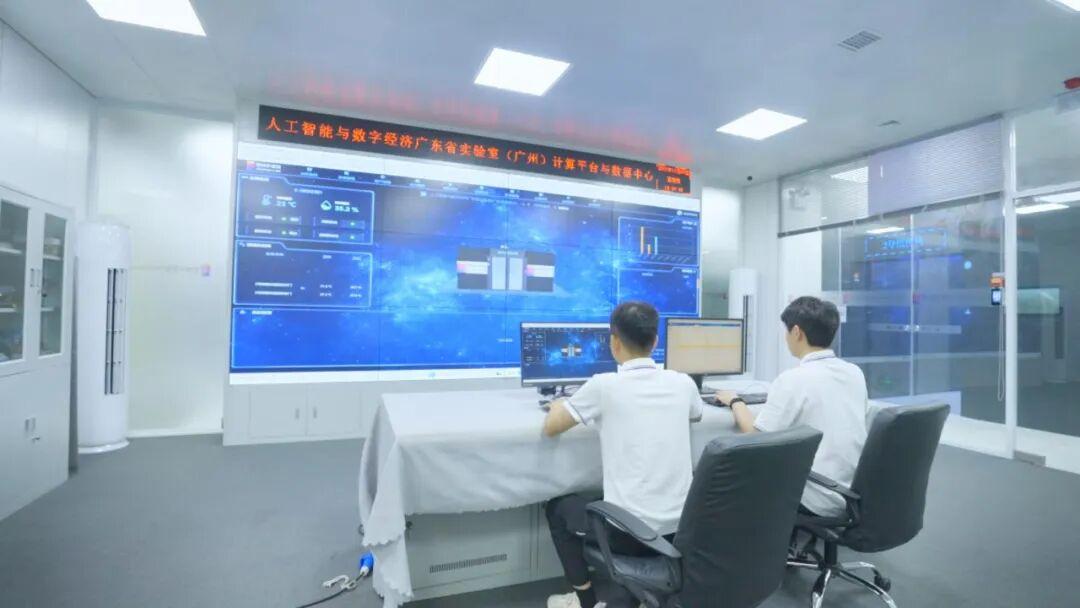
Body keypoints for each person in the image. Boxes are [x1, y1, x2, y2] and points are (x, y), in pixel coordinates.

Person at [541, 301, 704, 608]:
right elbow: (696, 414)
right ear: (655, 341)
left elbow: (552, 427)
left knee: (557, 508)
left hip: (627, 535)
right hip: (680, 531)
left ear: (614, 342)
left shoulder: (603, 386)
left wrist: (558, 405)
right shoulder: (683, 383)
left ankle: (584, 600)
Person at [716, 295, 868, 518]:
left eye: (786, 331)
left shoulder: (793, 379)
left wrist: (735, 401)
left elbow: (756, 437)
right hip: (852, 491)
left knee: (733, 471)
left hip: (817, 495)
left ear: (796, 332)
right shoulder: (854, 373)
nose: (785, 337)